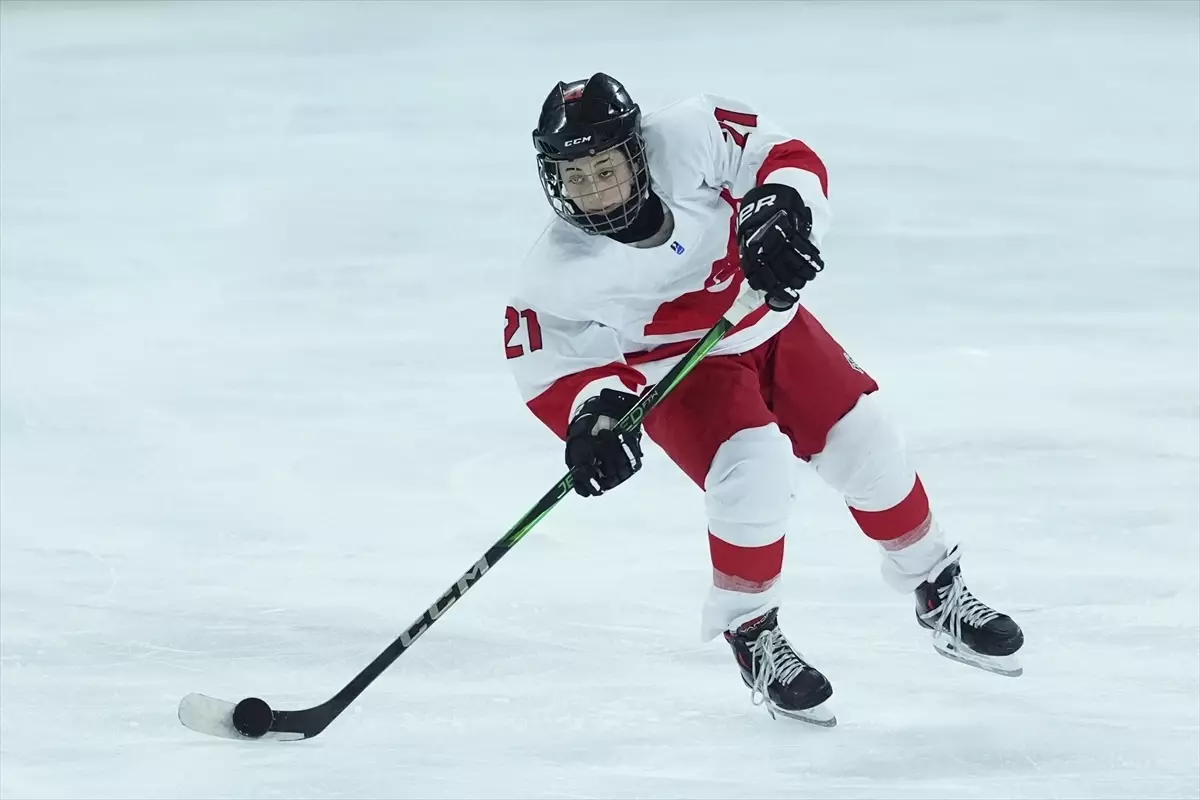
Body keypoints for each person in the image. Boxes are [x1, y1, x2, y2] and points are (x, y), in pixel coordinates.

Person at [503, 72, 1023, 726]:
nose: (591, 192)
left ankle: (937, 587)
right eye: (573, 178)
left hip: (771, 325)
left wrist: (781, 203)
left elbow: (786, 158)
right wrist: (593, 418)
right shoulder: (557, 270)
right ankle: (751, 632)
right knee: (754, 474)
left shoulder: (692, 134)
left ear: (637, 152)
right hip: (682, 368)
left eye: (603, 169)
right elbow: (552, 363)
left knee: (868, 444)